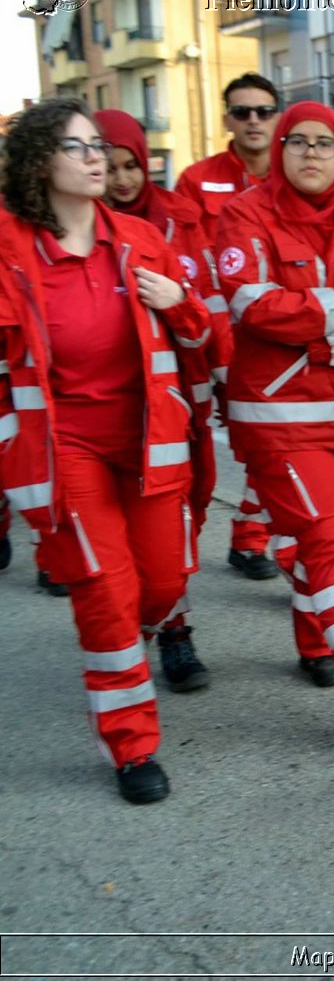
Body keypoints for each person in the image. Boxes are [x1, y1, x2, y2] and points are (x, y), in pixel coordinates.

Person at [0, 98, 214, 803]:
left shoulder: (141, 240)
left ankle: (137, 642)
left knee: (162, 582)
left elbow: (204, 338)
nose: (97, 158)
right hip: (68, 452)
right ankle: (132, 745)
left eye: (99, 145)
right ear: (40, 163)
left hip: (150, 441)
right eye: (77, 147)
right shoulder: (8, 250)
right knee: (107, 594)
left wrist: (177, 300)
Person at [213, 101, 334, 732]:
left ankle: (312, 641)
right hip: (279, 417)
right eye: (297, 141)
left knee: (320, 543)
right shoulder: (243, 215)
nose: (310, 153)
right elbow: (253, 305)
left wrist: (315, 330)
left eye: (325, 143)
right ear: (280, 150)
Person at [98, 108, 232, 691]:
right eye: (110, 166)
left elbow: (207, 314)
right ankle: (153, 634)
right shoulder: (65, 229)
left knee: (178, 527)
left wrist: (179, 302)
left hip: (177, 406)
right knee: (115, 549)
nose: (124, 179)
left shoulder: (177, 221)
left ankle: (170, 623)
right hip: (101, 420)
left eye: (132, 165)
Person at [175, 72, 281, 581]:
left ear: (277, 116)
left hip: (278, 334)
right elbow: (187, 269)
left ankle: (250, 535)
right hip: (215, 338)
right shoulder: (197, 181)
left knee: (274, 441)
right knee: (223, 447)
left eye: (263, 111)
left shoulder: (293, 176)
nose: (254, 120)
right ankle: (192, 552)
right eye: (243, 112)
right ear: (228, 120)